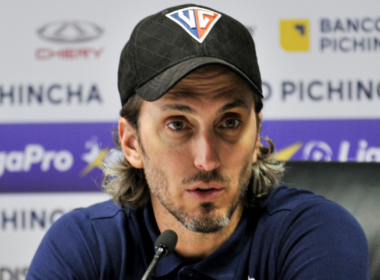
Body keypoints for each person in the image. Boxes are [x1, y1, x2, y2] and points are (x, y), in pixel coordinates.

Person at [27, 4, 369, 279]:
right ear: (132, 143)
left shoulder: (317, 235)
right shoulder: (83, 247)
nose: (207, 160)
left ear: (256, 136)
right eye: (178, 125)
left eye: (230, 122)